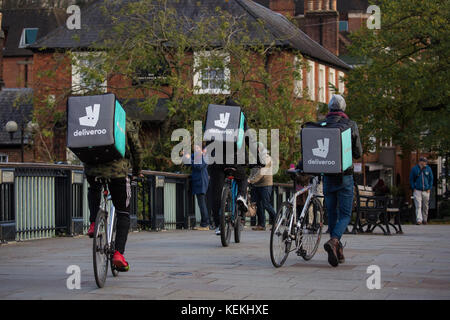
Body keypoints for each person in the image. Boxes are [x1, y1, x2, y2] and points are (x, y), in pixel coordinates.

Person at [86, 118, 143, 271]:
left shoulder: (95, 118)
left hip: (93, 168)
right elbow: (136, 148)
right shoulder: (122, 120)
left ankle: (93, 223)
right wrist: (137, 171)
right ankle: (118, 254)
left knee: (94, 187)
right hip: (117, 171)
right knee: (123, 212)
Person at [322, 94, 363, 267]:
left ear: (330, 109)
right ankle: (334, 240)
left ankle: (338, 249)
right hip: (344, 175)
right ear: (343, 108)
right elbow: (358, 153)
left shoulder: (322, 124)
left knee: (332, 213)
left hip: (327, 175)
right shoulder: (350, 125)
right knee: (345, 214)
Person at [206, 98, 250, 236]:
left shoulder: (214, 114)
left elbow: (207, 134)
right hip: (234, 158)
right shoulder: (239, 116)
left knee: (215, 192)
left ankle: (218, 225)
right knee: (242, 178)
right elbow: (247, 137)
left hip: (216, 159)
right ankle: (241, 196)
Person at [248, 143, 276, 231]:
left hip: (266, 185)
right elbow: (253, 171)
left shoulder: (267, 158)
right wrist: (250, 179)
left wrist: (250, 180)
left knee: (266, 204)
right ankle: (261, 225)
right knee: (259, 205)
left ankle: (276, 222)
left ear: (259, 149)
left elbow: (261, 172)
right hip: (257, 185)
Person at [184, 144, 211, 230]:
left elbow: (199, 166)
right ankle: (205, 222)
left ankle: (205, 224)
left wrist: (189, 159)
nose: (195, 149)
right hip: (198, 181)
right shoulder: (197, 156)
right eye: (194, 148)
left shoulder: (204, 156)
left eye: (197, 148)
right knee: (201, 204)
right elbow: (188, 163)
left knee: (202, 204)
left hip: (201, 181)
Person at [409, 157, 433, 225]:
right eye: (423, 162)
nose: (424, 163)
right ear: (420, 162)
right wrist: (413, 187)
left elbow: (431, 179)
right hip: (417, 190)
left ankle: (425, 219)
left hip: (426, 190)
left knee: (425, 206)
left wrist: (429, 188)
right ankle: (419, 220)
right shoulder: (414, 169)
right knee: (418, 205)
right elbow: (411, 179)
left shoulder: (428, 169)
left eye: (425, 162)